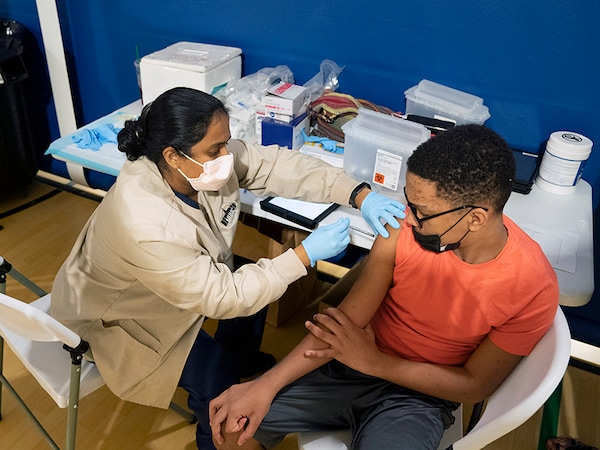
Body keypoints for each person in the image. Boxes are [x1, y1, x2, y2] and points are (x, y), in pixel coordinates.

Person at [50, 87, 406, 450]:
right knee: (216, 374)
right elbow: (224, 297)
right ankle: (218, 436)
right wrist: (304, 256)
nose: (226, 155)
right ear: (173, 155)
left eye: (227, 143)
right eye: (215, 149)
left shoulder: (195, 164)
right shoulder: (144, 222)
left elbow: (276, 166)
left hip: (168, 286)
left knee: (257, 280)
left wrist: (357, 193)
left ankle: (243, 361)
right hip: (117, 316)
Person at [209, 124, 560, 450]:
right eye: (410, 200)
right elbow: (346, 321)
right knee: (233, 426)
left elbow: (475, 385)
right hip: (350, 362)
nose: (408, 218)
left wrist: (375, 362)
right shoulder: (405, 231)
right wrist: (264, 385)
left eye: (422, 211)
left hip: (421, 394)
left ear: (475, 217)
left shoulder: (532, 286)